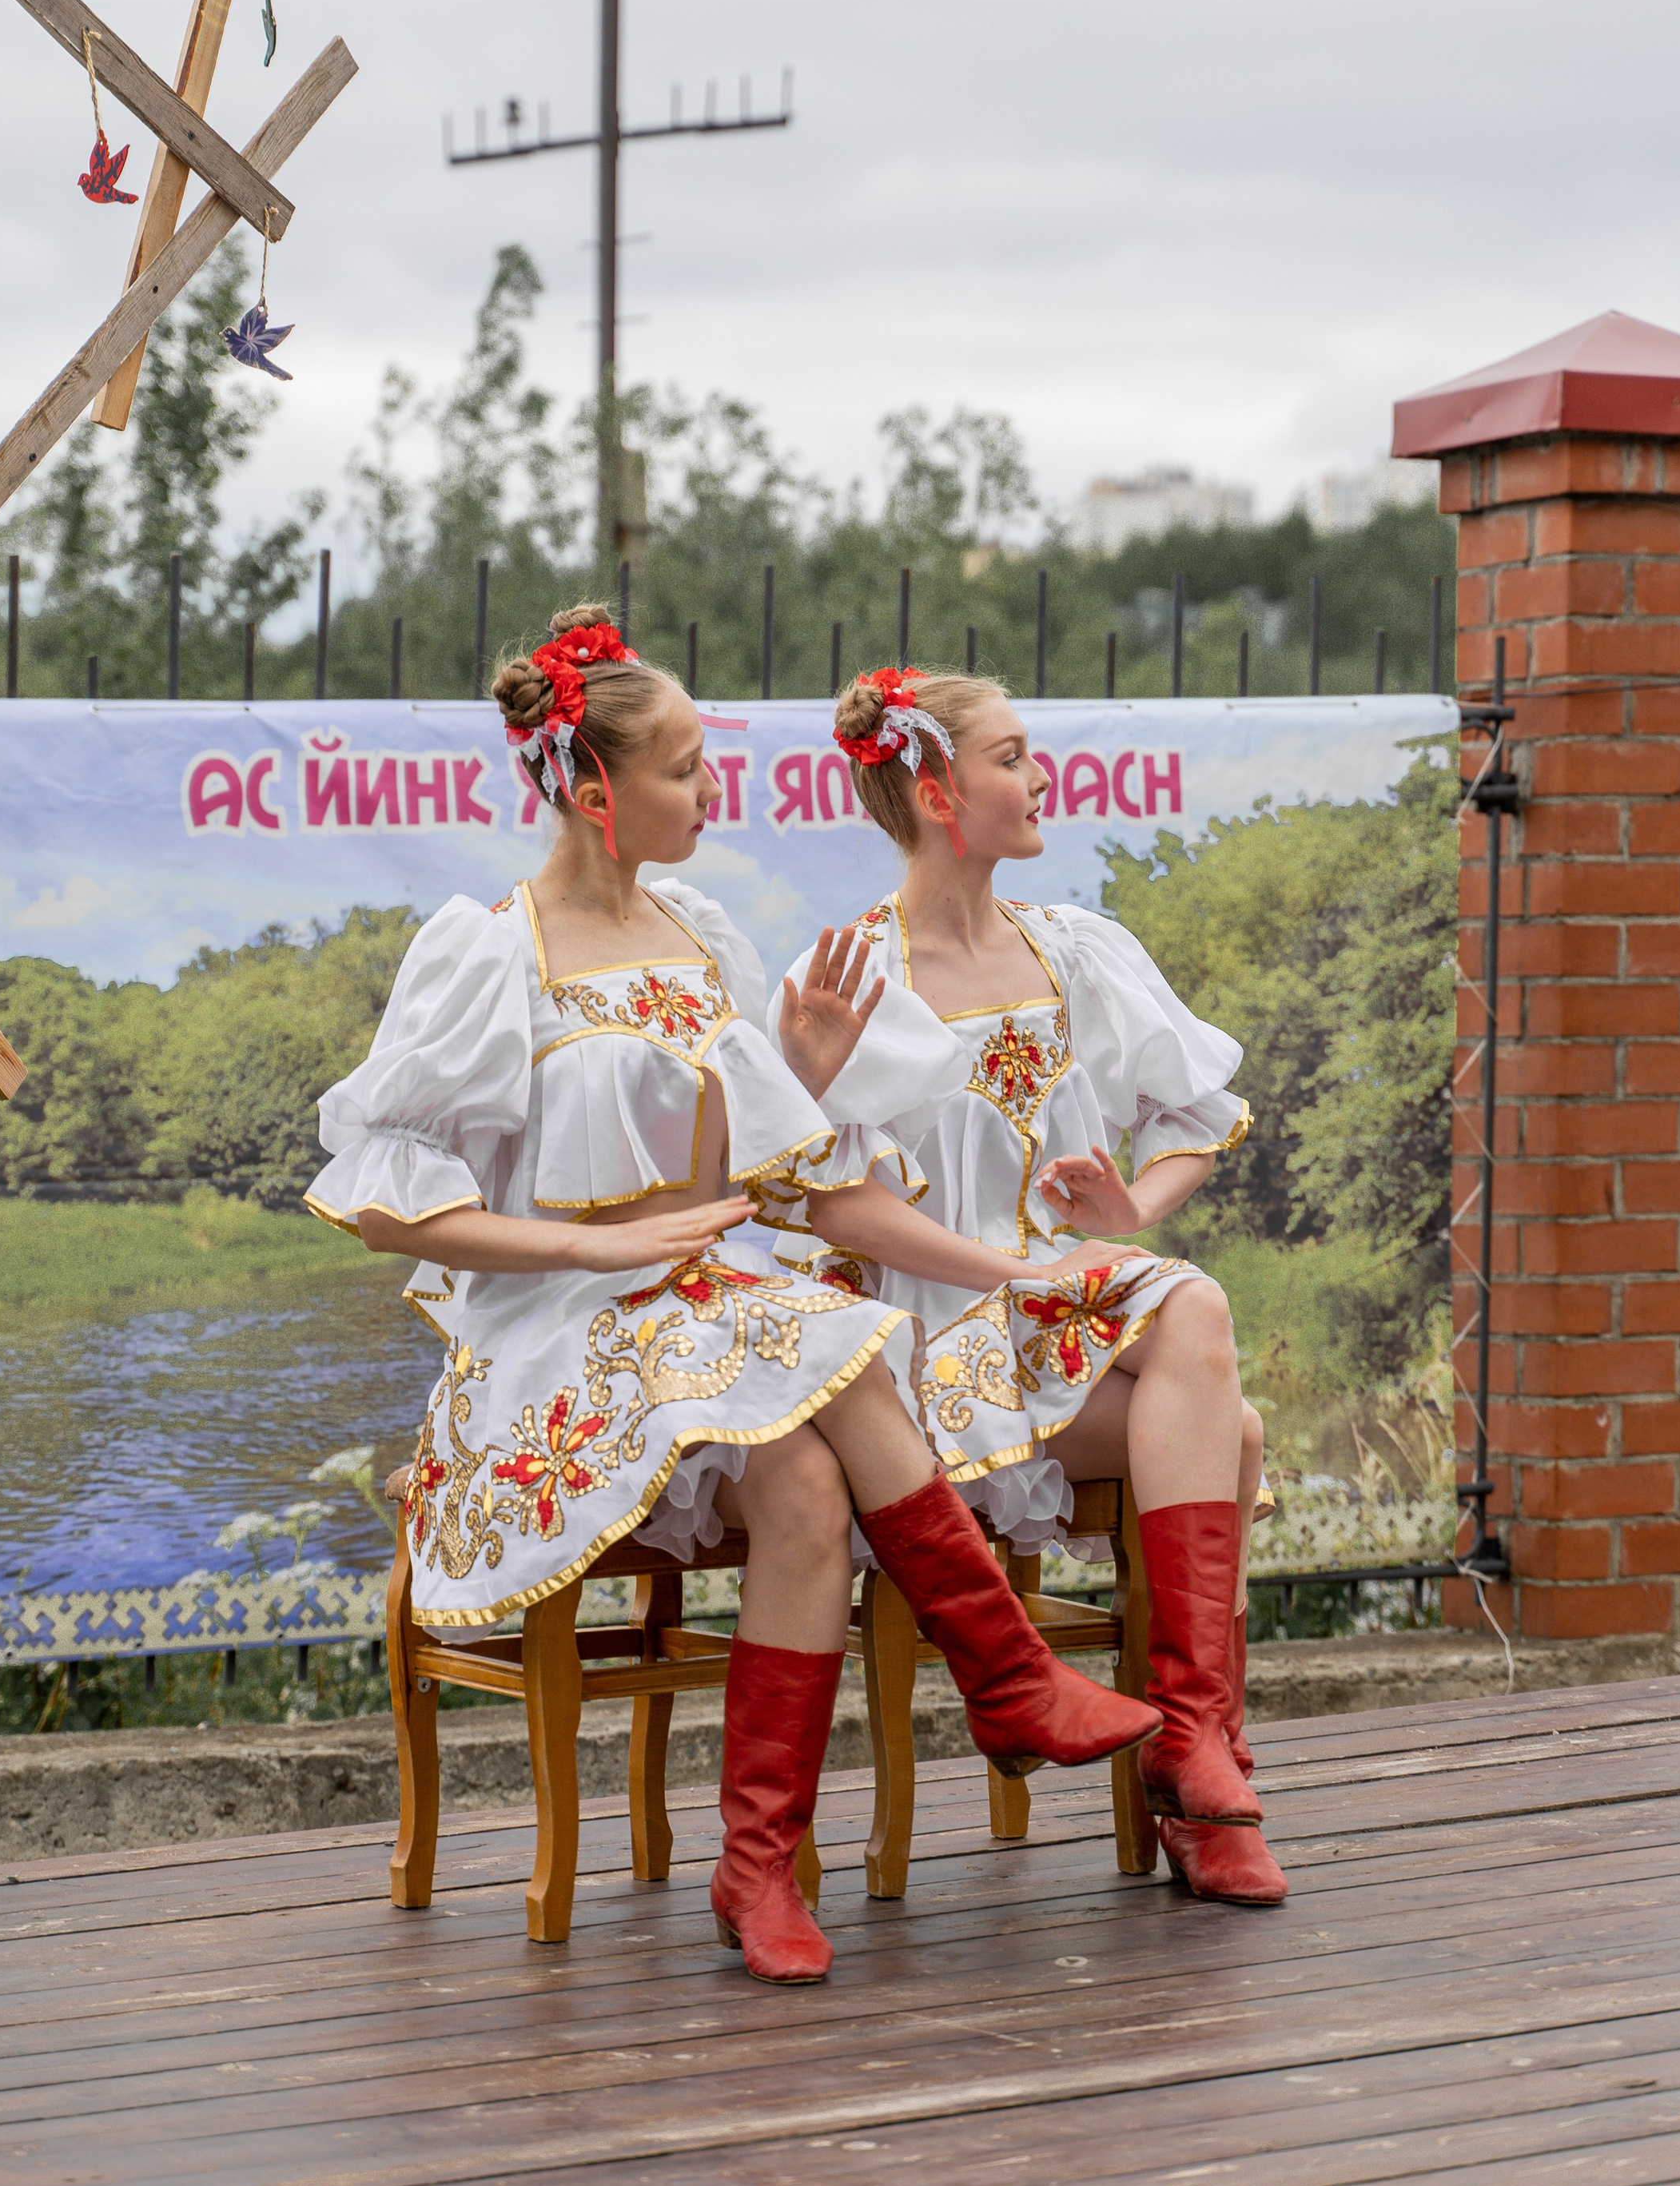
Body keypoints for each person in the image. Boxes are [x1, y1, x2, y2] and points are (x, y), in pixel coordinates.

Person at [305, 611, 1158, 1984]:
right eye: (690, 770)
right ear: (596, 791)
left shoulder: (701, 933)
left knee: (809, 1475)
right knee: (821, 1350)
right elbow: (387, 1200)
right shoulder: (489, 949)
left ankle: (760, 1862)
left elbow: (750, 1178)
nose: (718, 794)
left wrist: (803, 1074)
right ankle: (1004, 1677)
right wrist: (586, 1250)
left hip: (712, 1300)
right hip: (561, 1329)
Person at [771, 664, 1286, 1906]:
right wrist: (1024, 1266)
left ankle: (1192, 1754)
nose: (1039, 772)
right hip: (918, 1353)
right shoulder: (845, 980)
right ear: (938, 788)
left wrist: (1127, 1218)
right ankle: (1199, 1754)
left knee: (1226, 1401)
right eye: (1010, 754)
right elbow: (828, 1199)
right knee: (1207, 1338)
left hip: (1055, 1329)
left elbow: (1193, 1120)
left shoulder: (1076, 952)